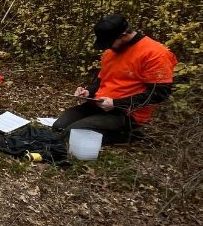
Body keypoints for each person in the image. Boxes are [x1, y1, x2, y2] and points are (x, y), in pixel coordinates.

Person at [53, 13, 177, 144]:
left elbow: (160, 93)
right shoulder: (110, 52)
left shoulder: (155, 54)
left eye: (110, 42)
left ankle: (130, 134)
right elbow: (102, 80)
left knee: (71, 134)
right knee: (58, 127)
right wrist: (89, 92)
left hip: (125, 113)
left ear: (123, 35)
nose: (108, 46)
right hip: (99, 105)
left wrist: (116, 103)